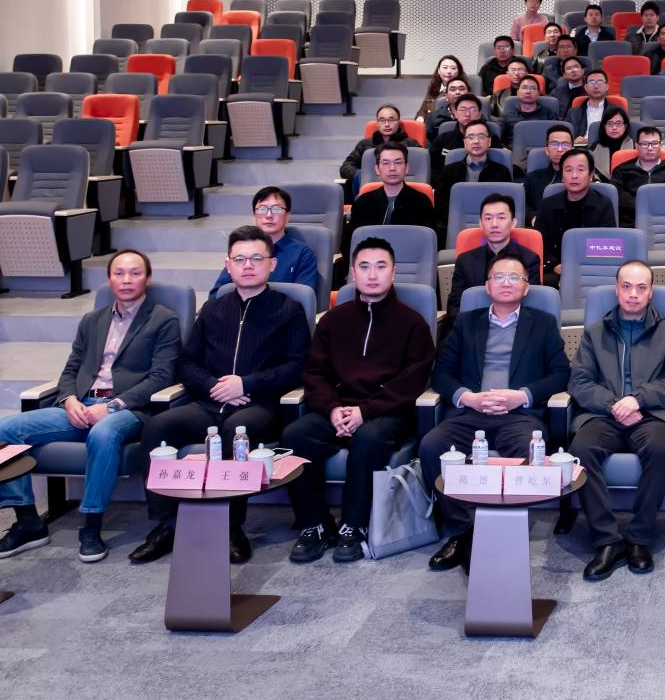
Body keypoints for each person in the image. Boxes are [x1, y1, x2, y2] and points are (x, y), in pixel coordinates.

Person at [0, 251, 180, 563]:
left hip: (128, 410)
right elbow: (71, 369)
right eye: (119, 273)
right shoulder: (92, 320)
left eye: (135, 273)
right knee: (3, 430)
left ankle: (91, 525)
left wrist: (112, 406)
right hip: (82, 404)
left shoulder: (163, 320)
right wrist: (69, 400)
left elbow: (161, 377)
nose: (126, 280)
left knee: (103, 433)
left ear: (148, 278)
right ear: (109, 279)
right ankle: (28, 522)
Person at [129, 228, 311, 565]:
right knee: (157, 428)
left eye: (256, 258)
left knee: (236, 433)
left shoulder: (289, 310)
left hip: (260, 405)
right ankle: (167, 525)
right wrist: (214, 385)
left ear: (271, 264)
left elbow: (297, 366)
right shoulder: (213, 309)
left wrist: (246, 384)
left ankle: (231, 527)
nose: (247, 266)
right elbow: (186, 362)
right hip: (208, 403)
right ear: (228, 265)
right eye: (239, 259)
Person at [284, 237, 435, 564]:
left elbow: (412, 381)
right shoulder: (333, 321)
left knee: (368, 439)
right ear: (353, 272)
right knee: (295, 435)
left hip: (388, 412)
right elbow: (315, 373)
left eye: (381, 266)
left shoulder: (412, 323)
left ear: (394, 272)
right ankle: (315, 524)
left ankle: (354, 525)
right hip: (337, 408)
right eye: (364, 267)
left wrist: (365, 411)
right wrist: (332, 409)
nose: (372, 274)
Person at [420, 254, 570, 572]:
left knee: (531, 454)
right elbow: (441, 373)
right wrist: (468, 398)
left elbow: (560, 374)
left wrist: (522, 396)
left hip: (519, 416)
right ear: (487, 286)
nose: (506, 283)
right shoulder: (467, 322)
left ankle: (504, 529)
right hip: (471, 413)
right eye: (498, 277)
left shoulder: (542, 323)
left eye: (515, 277)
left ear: (526, 287)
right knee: (432, 447)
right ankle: (463, 531)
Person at [569, 260, 665, 580]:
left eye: (641, 287)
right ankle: (607, 541)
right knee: (581, 451)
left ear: (651, 292)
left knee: (661, 449)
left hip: (651, 415)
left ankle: (639, 537)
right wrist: (615, 405)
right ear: (617, 290)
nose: (633, 294)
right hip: (604, 415)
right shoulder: (595, 334)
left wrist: (638, 399)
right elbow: (579, 382)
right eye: (626, 287)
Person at [444, 193, 544, 326]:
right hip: (472, 328)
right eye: (488, 218)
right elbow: (455, 306)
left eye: (501, 217)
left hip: (516, 328)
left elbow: (531, 304)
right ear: (480, 223)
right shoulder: (465, 260)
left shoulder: (529, 259)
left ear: (513, 223)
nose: (494, 224)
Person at [210, 185, 320, 295]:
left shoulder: (302, 254)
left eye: (276, 209)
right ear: (254, 215)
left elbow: (304, 298)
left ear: (287, 216)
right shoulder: (243, 250)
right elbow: (217, 294)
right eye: (262, 209)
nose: (269, 215)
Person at [535, 148, 618, 283]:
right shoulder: (547, 205)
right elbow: (539, 242)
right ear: (562, 175)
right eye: (568, 170)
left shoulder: (603, 204)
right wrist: (555, 265)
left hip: (591, 269)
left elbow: (606, 245)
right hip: (554, 268)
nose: (574, 175)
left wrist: (579, 268)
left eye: (580, 170)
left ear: (591, 175)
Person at [341, 143, 435, 259]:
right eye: (386, 163)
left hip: (409, 263)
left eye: (398, 162)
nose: (392, 168)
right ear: (377, 169)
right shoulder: (363, 202)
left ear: (406, 168)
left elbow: (428, 244)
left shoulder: (422, 202)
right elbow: (349, 241)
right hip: (370, 262)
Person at [433, 120, 513, 222]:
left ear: (489, 141)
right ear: (465, 143)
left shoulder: (502, 172)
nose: (476, 141)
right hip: (455, 224)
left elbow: (507, 205)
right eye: (471, 137)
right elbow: (440, 206)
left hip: (493, 224)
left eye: (481, 137)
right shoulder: (448, 171)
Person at [341, 104, 421, 194]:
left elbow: (421, 169)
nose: (387, 124)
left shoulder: (411, 144)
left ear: (398, 122)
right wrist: (364, 174)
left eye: (391, 120)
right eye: (382, 120)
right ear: (377, 123)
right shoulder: (365, 144)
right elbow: (346, 167)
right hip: (370, 191)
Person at [610, 125, 665, 227]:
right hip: (630, 224)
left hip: (663, 225)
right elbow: (618, 197)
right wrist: (645, 206)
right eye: (644, 144)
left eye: (655, 144)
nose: (650, 148)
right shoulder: (622, 171)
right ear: (636, 146)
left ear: (660, 146)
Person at [522, 124, 576, 222]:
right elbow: (521, 204)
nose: (560, 149)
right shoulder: (532, 178)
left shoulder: (580, 178)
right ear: (547, 150)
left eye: (565, 144)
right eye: (554, 144)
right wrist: (533, 218)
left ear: (572, 149)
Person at [431, 94, 486, 179]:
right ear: (455, 114)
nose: (467, 114)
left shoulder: (490, 139)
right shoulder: (442, 140)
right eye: (463, 110)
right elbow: (433, 169)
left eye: (472, 110)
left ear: (479, 114)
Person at [499, 75, 549, 147]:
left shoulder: (549, 115)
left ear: (538, 93)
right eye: (524, 88)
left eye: (533, 88)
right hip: (513, 151)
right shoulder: (507, 116)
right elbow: (498, 139)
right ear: (517, 93)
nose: (528, 91)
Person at [567, 68, 614, 144]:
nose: (596, 86)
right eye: (591, 83)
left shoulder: (616, 112)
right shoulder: (573, 113)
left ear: (607, 87)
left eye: (600, 82)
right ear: (586, 87)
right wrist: (573, 142)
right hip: (580, 147)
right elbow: (564, 135)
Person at [424, 78, 476, 147]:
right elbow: (427, 140)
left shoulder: (475, 116)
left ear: (469, 93)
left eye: (461, 89)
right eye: (453, 89)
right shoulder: (433, 117)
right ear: (446, 95)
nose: (457, 92)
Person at [416, 55, 465, 122]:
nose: (449, 71)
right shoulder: (434, 87)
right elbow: (422, 110)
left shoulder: (461, 90)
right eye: (445, 67)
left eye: (453, 68)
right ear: (438, 71)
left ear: (458, 72)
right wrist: (420, 117)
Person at [587, 107, 633, 179]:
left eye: (618, 123)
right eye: (610, 124)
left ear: (625, 126)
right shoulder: (594, 148)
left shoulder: (635, 147)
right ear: (604, 126)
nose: (614, 127)